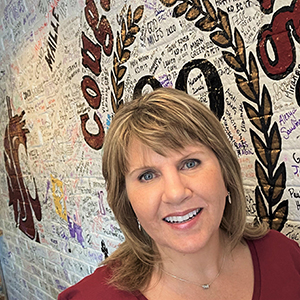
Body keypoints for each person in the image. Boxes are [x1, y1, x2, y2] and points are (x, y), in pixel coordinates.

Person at [58, 88, 300, 300]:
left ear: (226, 174)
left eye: (190, 163)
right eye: (147, 175)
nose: (175, 193)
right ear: (126, 200)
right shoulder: (92, 297)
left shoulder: (284, 256)